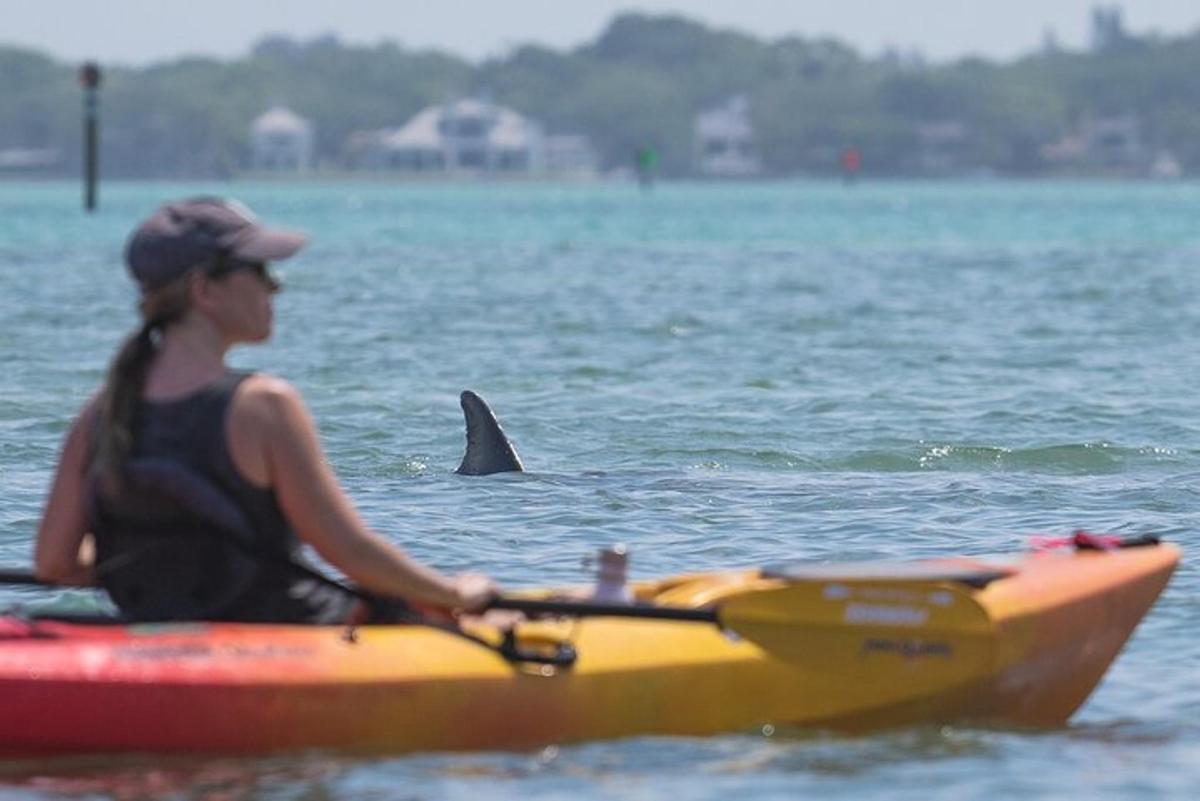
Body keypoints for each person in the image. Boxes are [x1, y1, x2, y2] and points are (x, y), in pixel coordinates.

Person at [34, 197, 497, 623]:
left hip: (159, 636)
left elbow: (53, 563)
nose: (275, 288)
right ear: (204, 290)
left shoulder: (102, 410)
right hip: (288, 635)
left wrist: (161, 565)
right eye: (260, 271)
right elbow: (349, 550)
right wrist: (456, 592)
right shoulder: (264, 407)